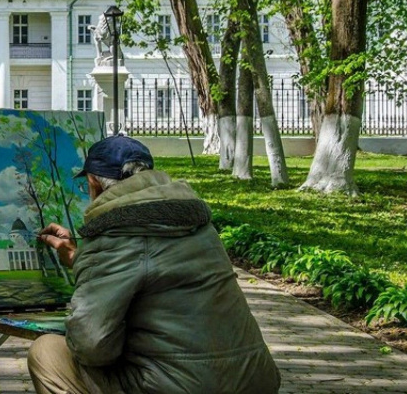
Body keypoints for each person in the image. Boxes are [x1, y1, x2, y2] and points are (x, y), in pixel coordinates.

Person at [30, 135, 280, 394]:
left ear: (94, 182)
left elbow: (92, 347)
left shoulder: (114, 233)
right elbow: (156, 270)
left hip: (182, 387)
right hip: (252, 381)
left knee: (47, 351)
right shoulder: (197, 224)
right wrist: (81, 259)